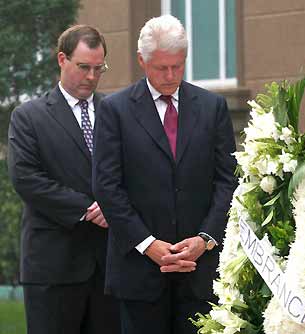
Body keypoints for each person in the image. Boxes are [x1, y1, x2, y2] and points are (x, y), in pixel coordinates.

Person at [92, 15, 237, 334]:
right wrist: (148, 244)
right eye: (161, 68)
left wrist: (205, 239)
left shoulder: (213, 107)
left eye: (178, 65)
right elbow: (106, 187)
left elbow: (227, 180)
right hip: (139, 275)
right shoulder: (115, 110)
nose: (171, 75)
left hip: (201, 272)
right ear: (141, 60)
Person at [7, 25, 120, 334]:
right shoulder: (29, 116)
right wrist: (89, 209)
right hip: (52, 268)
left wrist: (117, 206)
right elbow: (26, 178)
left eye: (99, 69)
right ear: (62, 59)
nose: (92, 76)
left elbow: (138, 172)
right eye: (84, 67)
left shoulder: (116, 112)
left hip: (110, 268)